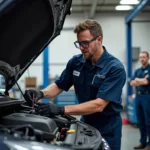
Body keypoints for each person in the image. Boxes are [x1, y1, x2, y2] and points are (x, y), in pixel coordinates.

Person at [24, 19, 126, 150]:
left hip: (108, 128)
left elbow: (99, 105)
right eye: (79, 43)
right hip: (85, 124)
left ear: (99, 40)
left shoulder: (114, 68)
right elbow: (59, 85)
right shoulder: (76, 62)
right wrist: (41, 93)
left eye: (85, 43)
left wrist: (61, 109)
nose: (82, 48)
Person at [130, 51, 150, 150]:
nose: (142, 59)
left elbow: (146, 82)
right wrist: (140, 80)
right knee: (140, 122)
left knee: (148, 121)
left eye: (144, 57)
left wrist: (138, 80)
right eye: (141, 57)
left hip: (147, 97)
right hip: (138, 97)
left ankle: (149, 144)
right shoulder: (137, 70)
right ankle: (143, 142)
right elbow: (132, 83)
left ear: (148, 58)